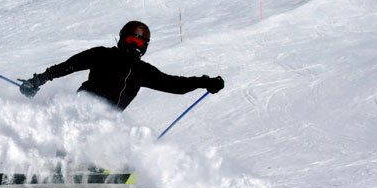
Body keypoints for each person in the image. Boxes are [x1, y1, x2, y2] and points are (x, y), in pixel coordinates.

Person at [19, 21, 224, 110]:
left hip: (107, 123)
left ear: (145, 47)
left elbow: (175, 85)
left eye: (139, 42)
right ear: (122, 39)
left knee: (107, 136)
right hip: (81, 108)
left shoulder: (143, 72)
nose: (134, 46)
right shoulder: (102, 54)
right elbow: (68, 66)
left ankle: (95, 167)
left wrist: (205, 82)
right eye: (131, 40)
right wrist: (38, 80)